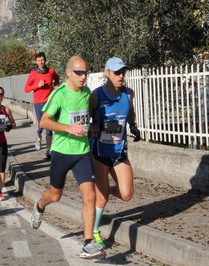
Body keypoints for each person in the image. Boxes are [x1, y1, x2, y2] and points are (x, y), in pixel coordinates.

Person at [29, 56, 106, 259]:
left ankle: (88, 243)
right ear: (68, 73)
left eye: (86, 72)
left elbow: (86, 121)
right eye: (79, 72)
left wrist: (98, 129)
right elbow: (44, 121)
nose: (83, 76)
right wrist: (68, 127)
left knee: (90, 197)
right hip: (62, 152)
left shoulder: (88, 93)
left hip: (82, 153)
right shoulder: (59, 94)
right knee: (55, 195)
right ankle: (40, 205)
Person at [89, 57, 141, 251]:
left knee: (126, 194)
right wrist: (100, 126)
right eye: (117, 72)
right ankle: (95, 231)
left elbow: (131, 112)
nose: (121, 76)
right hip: (100, 153)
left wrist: (133, 126)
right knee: (101, 200)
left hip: (119, 152)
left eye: (123, 72)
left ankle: (103, 191)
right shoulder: (96, 96)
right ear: (107, 73)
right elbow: (87, 126)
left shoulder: (128, 93)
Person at [24, 52, 60, 159]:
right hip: (38, 102)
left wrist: (56, 85)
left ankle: (48, 151)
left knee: (49, 127)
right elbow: (26, 89)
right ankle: (38, 137)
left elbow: (56, 79)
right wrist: (37, 86)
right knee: (41, 126)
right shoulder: (33, 74)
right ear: (36, 61)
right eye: (39, 60)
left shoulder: (51, 71)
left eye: (43, 60)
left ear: (45, 60)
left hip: (49, 102)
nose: (41, 62)